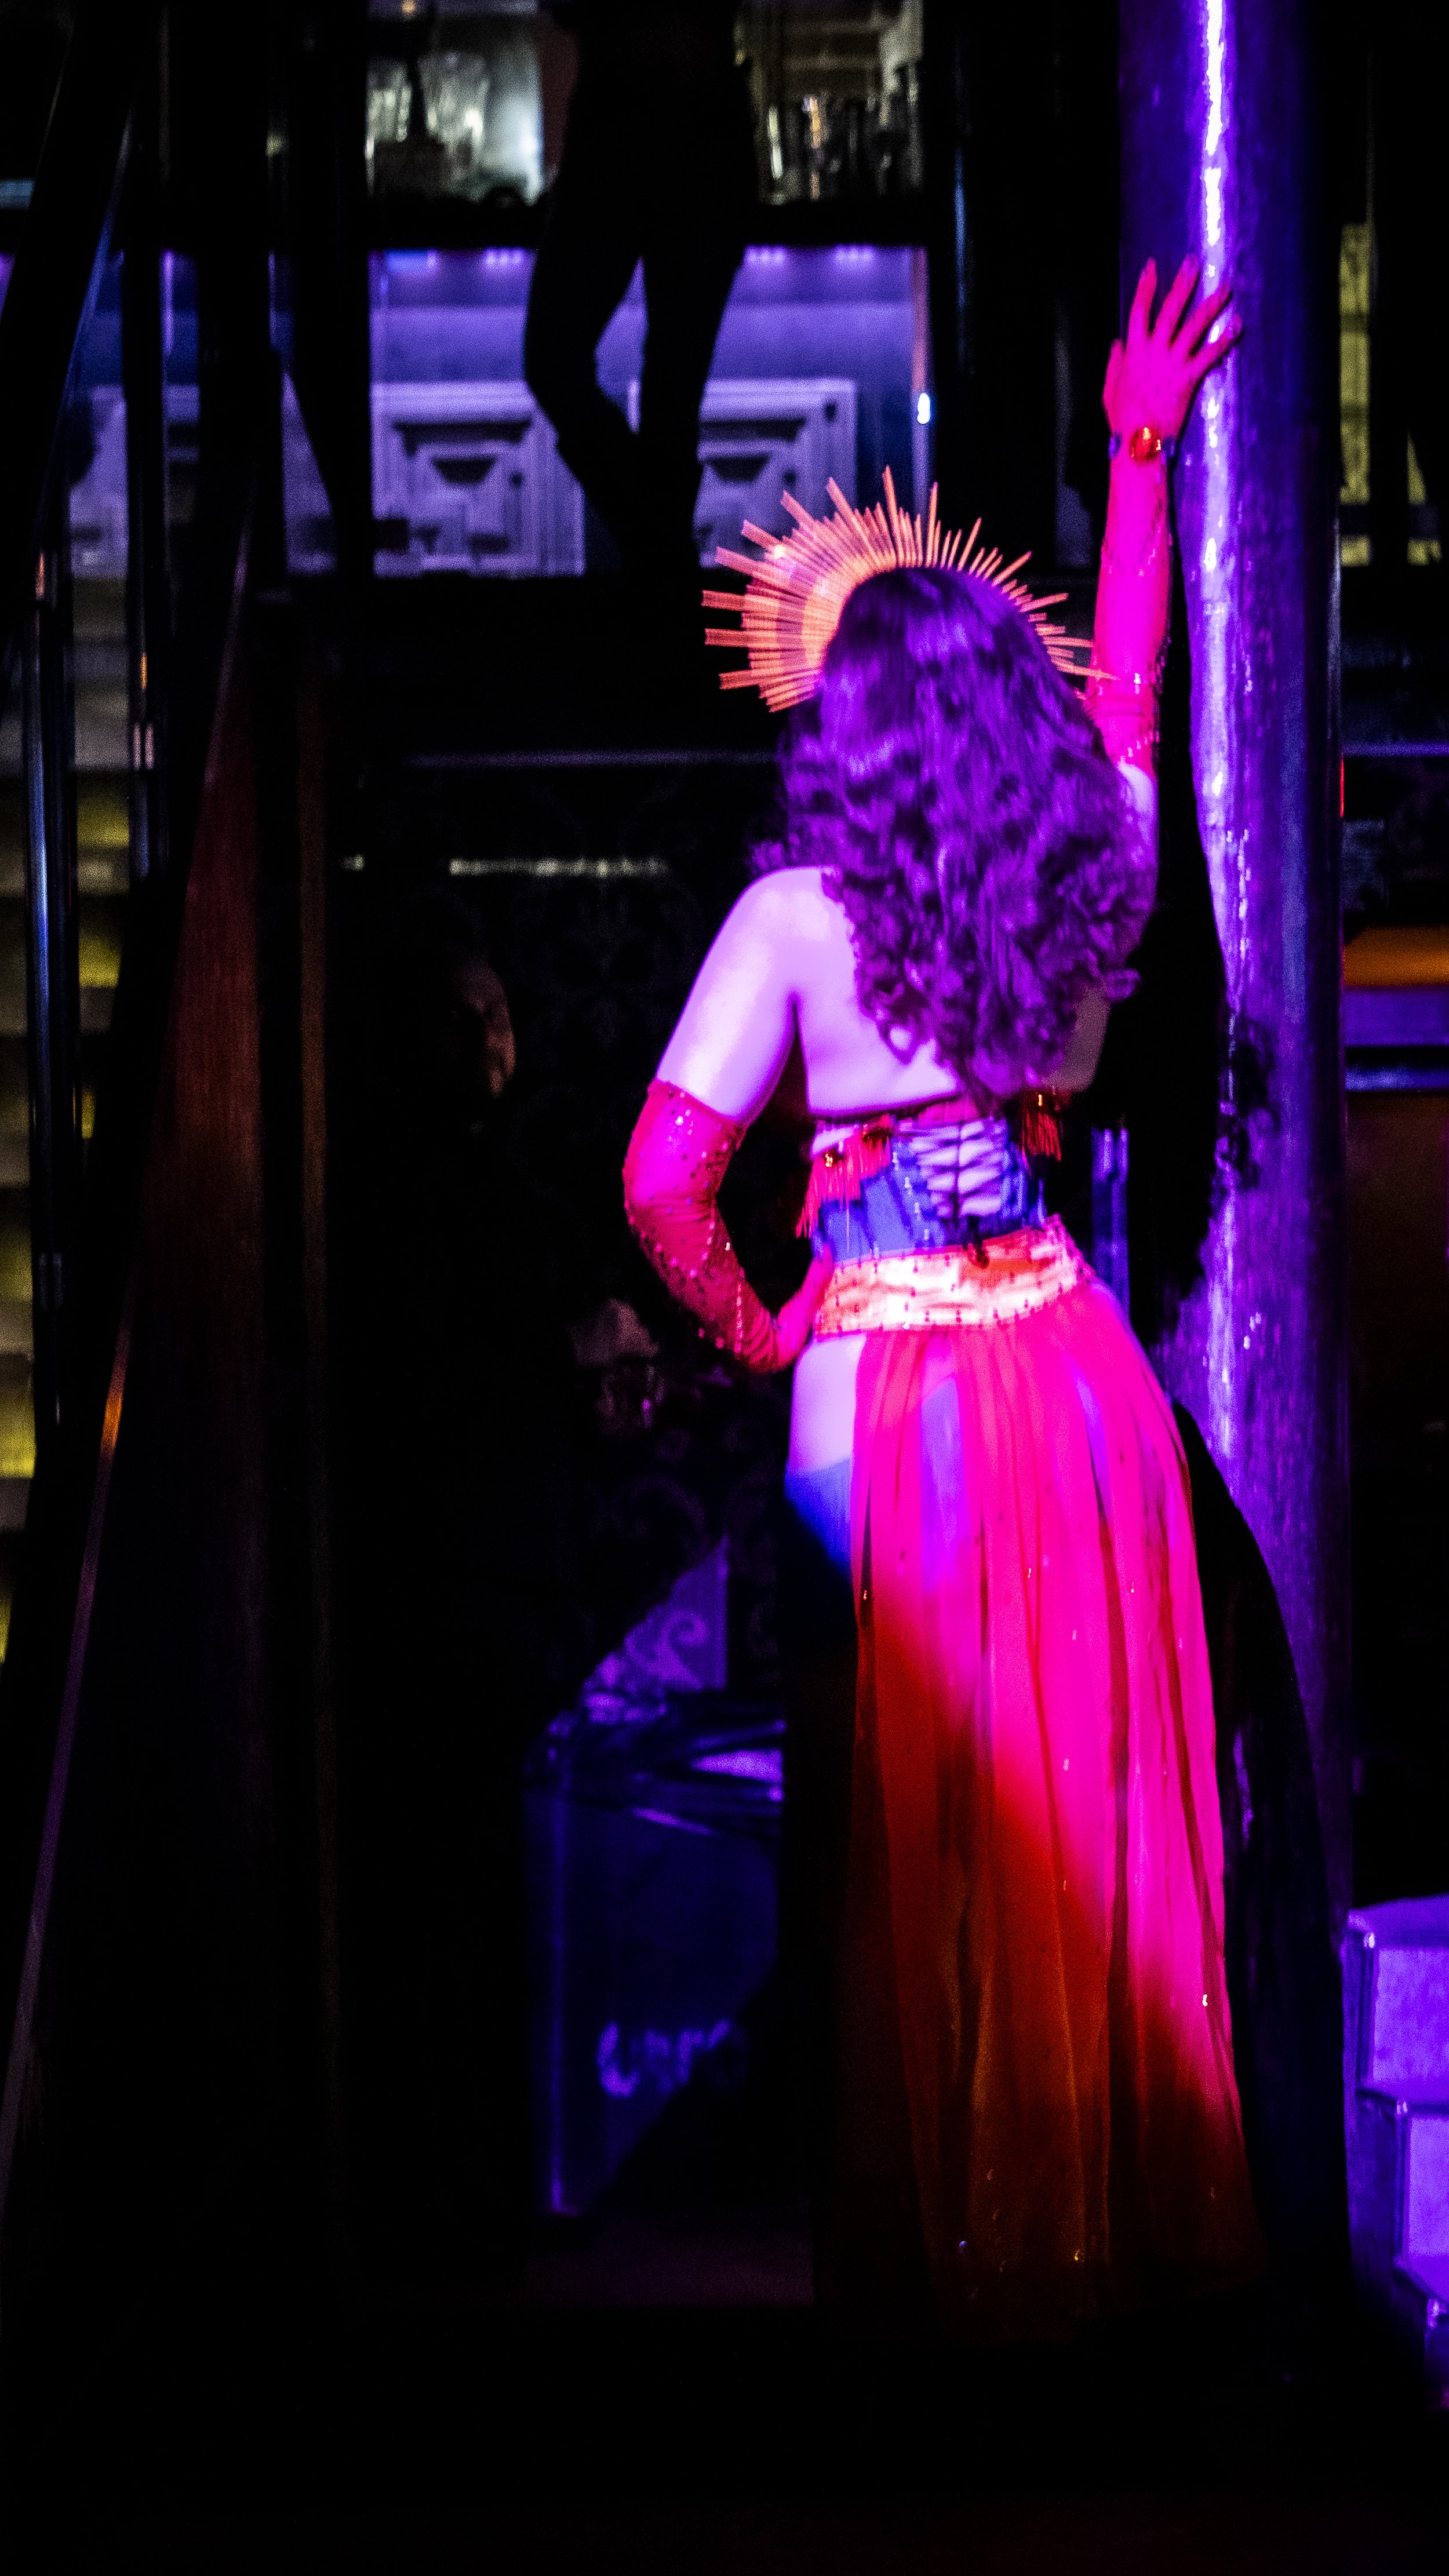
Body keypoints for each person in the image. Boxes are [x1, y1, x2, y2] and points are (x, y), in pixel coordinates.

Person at [621, 258, 1265, 2338]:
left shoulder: (793, 919)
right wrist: (1137, 455)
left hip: (876, 1405)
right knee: (1089, 1825)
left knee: (904, 1847)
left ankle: (926, 2275)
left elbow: (657, 1182)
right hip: (1075, 1386)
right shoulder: (1095, 871)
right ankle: (1097, 2258)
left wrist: (755, 1322)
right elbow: (1138, 707)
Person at [524, 3, 755, 583]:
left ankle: (660, 566)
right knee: (672, 391)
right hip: (703, 124)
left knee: (562, 363)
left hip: (619, 124)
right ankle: (664, 574)